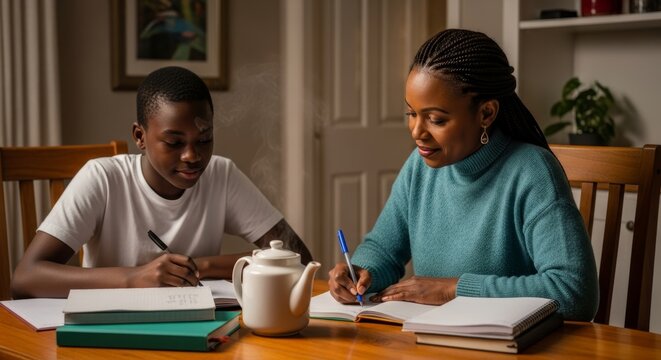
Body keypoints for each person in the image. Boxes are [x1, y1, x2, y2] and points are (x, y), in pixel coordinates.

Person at [328, 29, 598, 321]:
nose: (417, 132)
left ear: (486, 114)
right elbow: (383, 247)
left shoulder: (532, 172)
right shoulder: (419, 167)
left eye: (436, 119)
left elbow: (574, 292)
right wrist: (360, 271)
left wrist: (454, 289)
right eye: (411, 113)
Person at [11, 66, 313, 299]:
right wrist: (134, 278)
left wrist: (199, 267)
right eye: (173, 142)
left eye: (204, 139)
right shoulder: (102, 178)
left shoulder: (221, 174)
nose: (192, 156)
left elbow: (298, 255)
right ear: (140, 137)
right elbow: (25, 279)